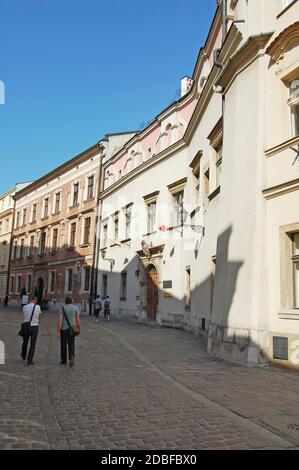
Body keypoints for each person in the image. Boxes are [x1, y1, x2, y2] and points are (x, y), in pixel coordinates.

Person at [57, 297, 80, 367]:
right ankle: (71, 356)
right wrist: (79, 328)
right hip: (72, 329)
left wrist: (58, 331)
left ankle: (63, 360)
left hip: (64, 329)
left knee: (63, 344)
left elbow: (60, 320)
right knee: (71, 344)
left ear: (65, 301)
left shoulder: (62, 308)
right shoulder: (75, 308)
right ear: (72, 301)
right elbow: (78, 319)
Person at [21, 295, 41, 366]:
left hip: (26, 326)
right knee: (33, 343)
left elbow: (24, 316)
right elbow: (39, 316)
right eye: (35, 300)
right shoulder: (38, 307)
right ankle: (29, 360)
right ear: (32, 300)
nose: (36, 301)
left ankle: (23, 355)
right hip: (35, 326)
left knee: (25, 341)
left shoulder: (24, 307)